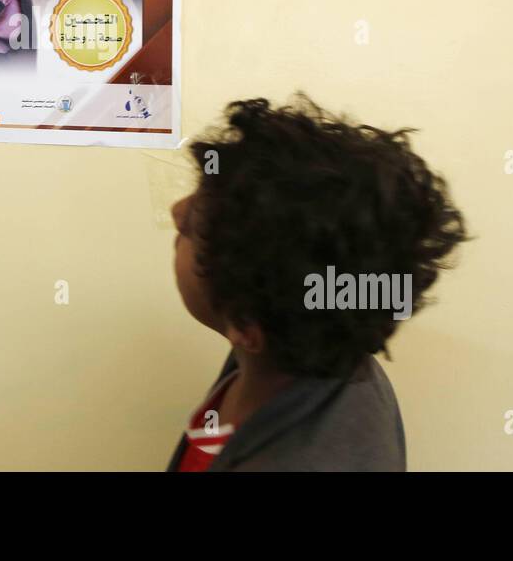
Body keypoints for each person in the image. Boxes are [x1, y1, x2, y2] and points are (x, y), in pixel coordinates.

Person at [168, 95, 471, 471]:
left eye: (190, 228)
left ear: (247, 325)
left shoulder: (310, 457)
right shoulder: (302, 350)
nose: (176, 209)